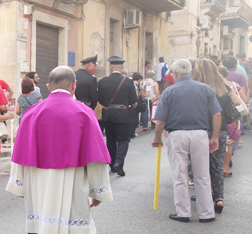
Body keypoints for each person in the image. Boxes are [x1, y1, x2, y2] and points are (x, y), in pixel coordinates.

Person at [7, 66, 113, 234]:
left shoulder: (32, 113)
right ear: (74, 86)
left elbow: (19, 157)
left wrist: (21, 186)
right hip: (72, 185)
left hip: (38, 188)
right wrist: (98, 190)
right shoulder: (84, 113)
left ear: (49, 86)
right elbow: (96, 158)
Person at [152, 59, 221, 223]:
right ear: (190, 71)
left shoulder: (169, 92)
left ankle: (183, 213)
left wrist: (157, 139)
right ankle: (206, 213)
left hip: (177, 135)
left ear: (174, 74)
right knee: (202, 175)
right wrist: (215, 137)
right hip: (200, 133)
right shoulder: (205, 89)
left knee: (180, 175)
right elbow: (217, 115)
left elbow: (160, 121)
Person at [193, 58, 237, 214]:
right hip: (220, 129)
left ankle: (203, 196)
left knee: (200, 164)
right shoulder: (223, 87)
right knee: (217, 164)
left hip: (201, 128)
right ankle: (218, 198)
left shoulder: (197, 88)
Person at [97, 56, 137, 176]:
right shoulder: (128, 82)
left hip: (108, 114)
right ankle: (119, 163)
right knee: (124, 139)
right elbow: (133, 100)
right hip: (123, 113)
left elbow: (101, 100)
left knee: (111, 139)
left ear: (111, 67)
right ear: (122, 68)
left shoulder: (103, 81)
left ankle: (112, 164)